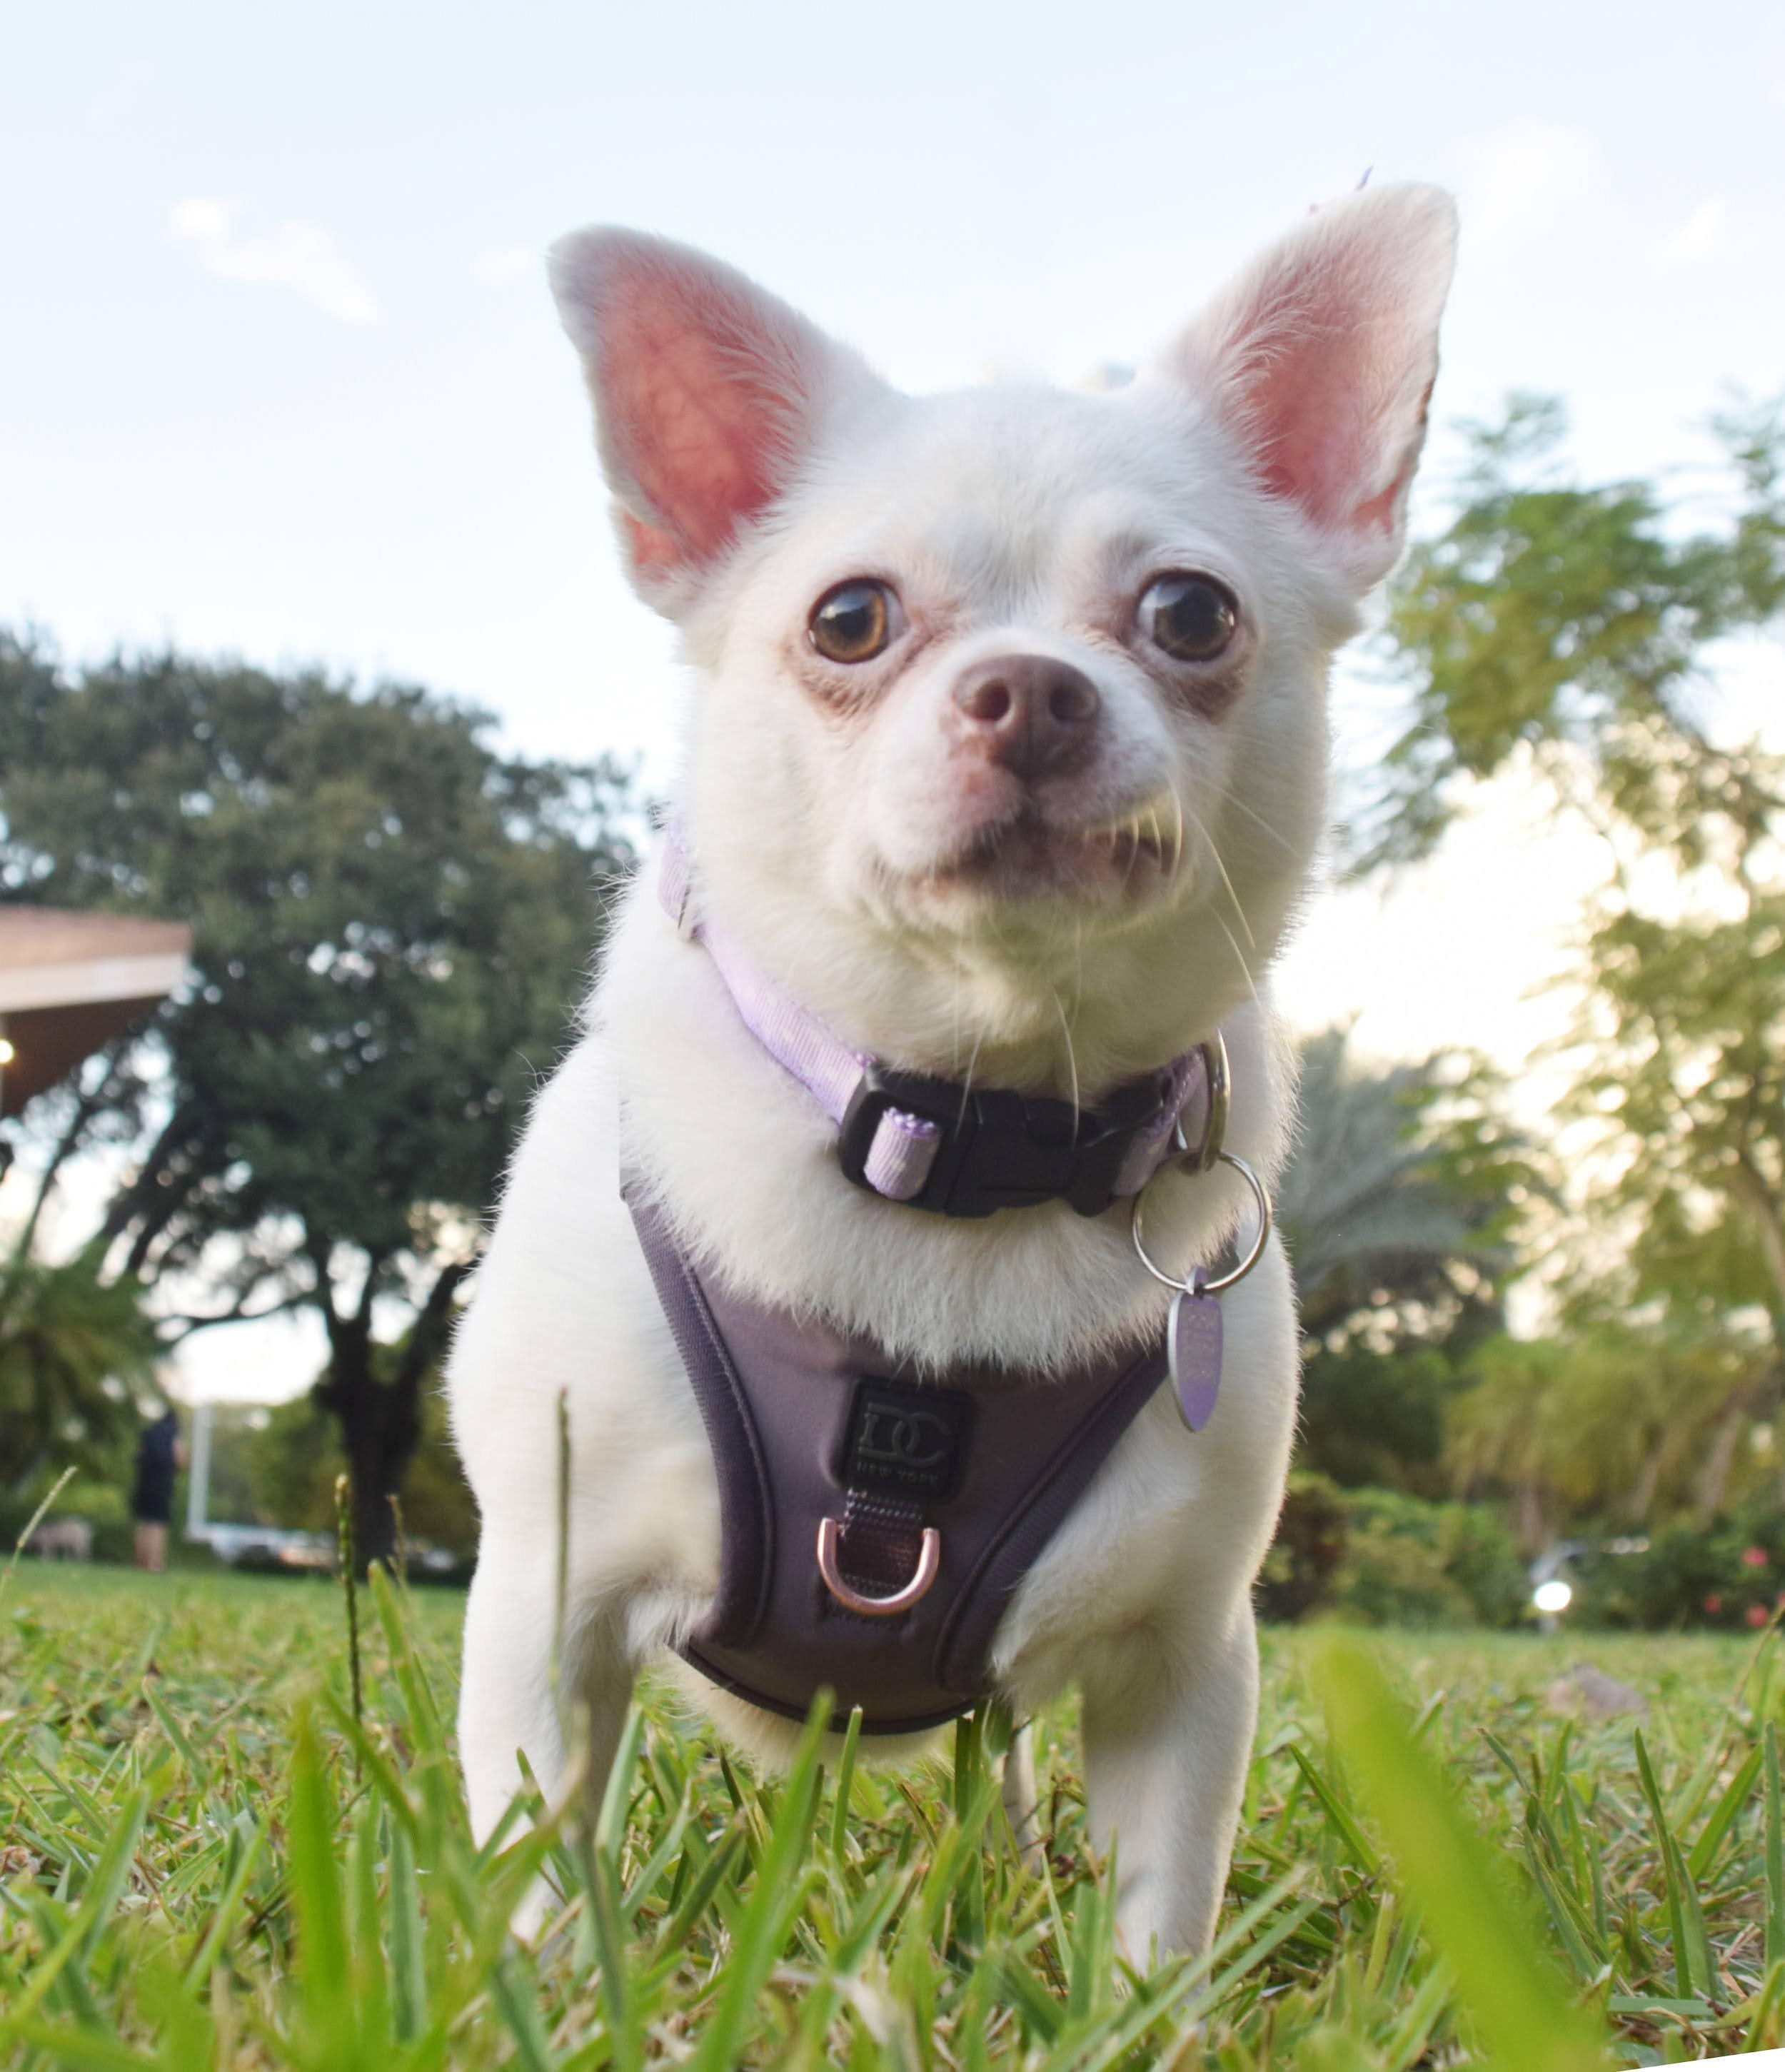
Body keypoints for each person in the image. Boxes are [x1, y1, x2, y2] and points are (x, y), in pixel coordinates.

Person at [132, 1406, 184, 1571]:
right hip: (162, 1486)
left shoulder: (149, 1433)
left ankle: (141, 1563)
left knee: (143, 1522)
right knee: (158, 1524)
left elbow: (139, 1455)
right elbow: (180, 1458)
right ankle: (154, 1563)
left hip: (144, 1484)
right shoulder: (173, 1433)